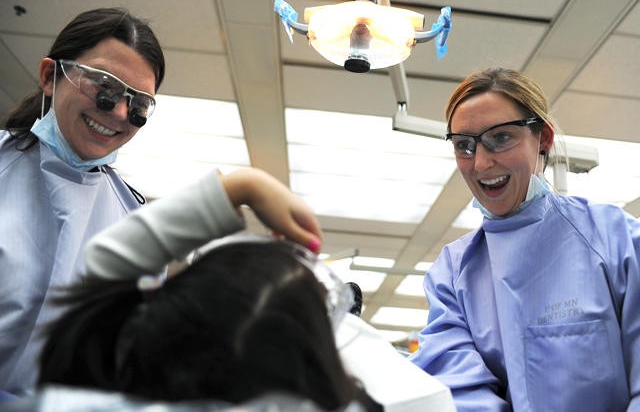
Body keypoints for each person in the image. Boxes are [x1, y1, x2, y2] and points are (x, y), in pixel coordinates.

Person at [0, 7, 321, 398]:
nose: (119, 112)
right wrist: (239, 188)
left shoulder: (129, 211)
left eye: (138, 106)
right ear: (51, 76)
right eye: (104, 86)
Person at [22, 170, 454, 411]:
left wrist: (243, 187)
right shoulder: (382, 395)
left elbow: (105, 275)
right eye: (325, 303)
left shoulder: (119, 392)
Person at [409, 67, 640, 411]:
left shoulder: (615, 239)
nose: (482, 163)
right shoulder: (453, 272)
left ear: (543, 138)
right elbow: (459, 390)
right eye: (464, 146)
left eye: (500, 138)